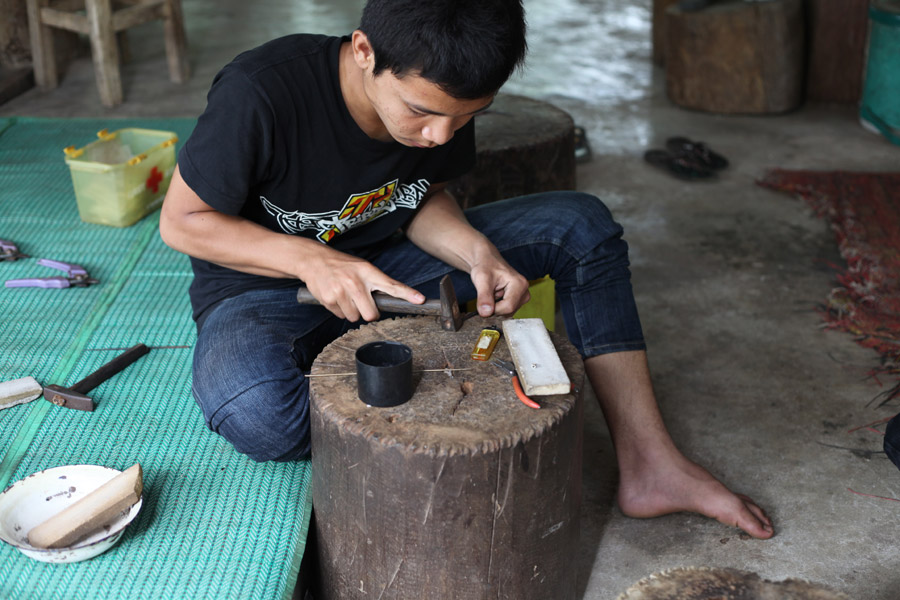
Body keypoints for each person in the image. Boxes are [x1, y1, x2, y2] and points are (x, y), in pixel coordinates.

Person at [159, 0, 774, 539]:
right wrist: (313, 259)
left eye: (465, 117)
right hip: (263, 289)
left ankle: (651, 464)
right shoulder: (262, 91)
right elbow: (182, 221)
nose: (439, 135)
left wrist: (476, 252)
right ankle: (380, 372)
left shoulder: (444, 106)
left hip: (393, 270)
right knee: (256, 411)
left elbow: (415, 195)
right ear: (366, 51)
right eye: (421, 112)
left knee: (581, 227)